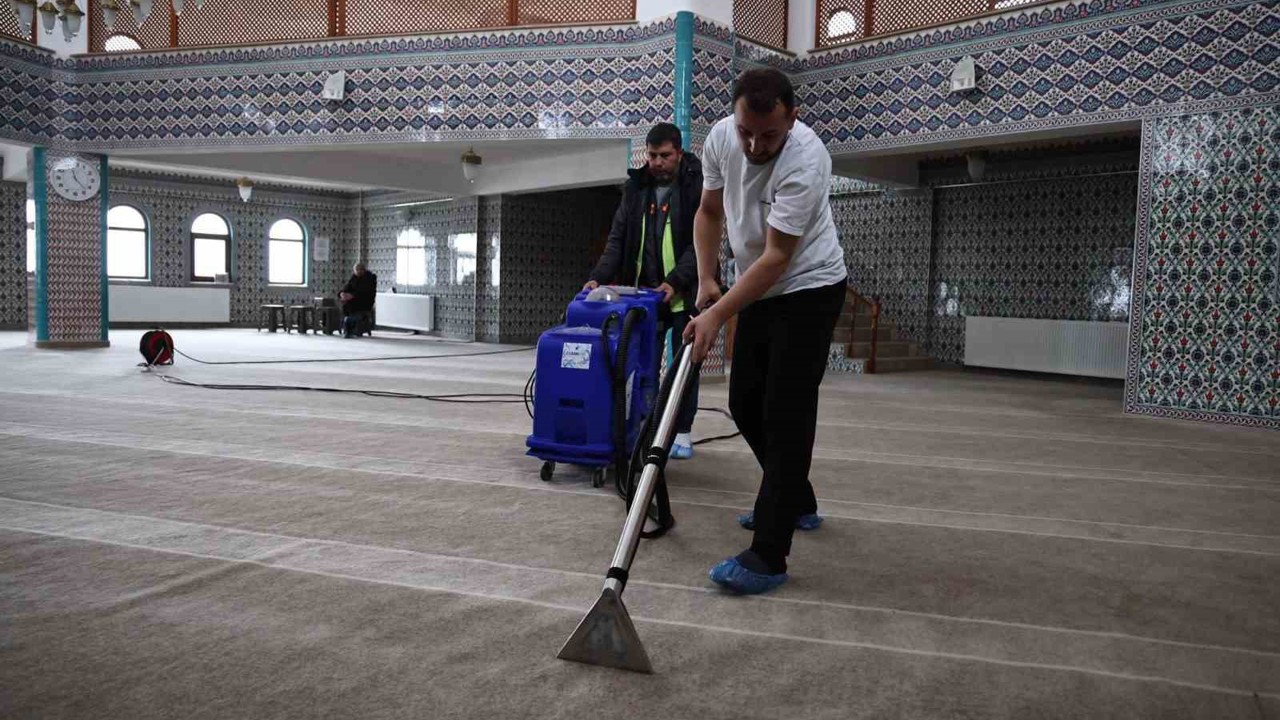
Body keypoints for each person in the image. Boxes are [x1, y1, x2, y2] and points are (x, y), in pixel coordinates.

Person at [683, 68, 848, 595]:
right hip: (756, 285)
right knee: (745, 401)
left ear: (792, 119)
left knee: (786, 410)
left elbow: (778, 256)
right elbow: (709, 212)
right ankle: (795, 497)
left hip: (808, 287)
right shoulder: (718, 139)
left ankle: (769, 553)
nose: (755, 145)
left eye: (769, 135)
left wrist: (716, 314)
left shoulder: (807, 159)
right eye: (746, 131)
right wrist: (708, 278)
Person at [585, 122, 704, 459]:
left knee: (684, 367)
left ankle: (681, 431)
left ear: (678, 153)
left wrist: (676, 281)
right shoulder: (635, 189)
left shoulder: (696, 185)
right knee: (640, 363)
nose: (657, 162)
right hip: (642, 298)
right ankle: (641, 427)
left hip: (683, 294)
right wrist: (598, 277)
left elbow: (700, 244)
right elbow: (617, 240)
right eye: (652, 155)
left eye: (665, 155)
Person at [339, 263, 377, 338]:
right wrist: (342, 293)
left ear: (364, 270)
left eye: (360, 270)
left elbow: (366, 292)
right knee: (346, 305)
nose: (359, 271)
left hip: (365, 301)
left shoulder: (370, 278)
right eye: (357, 270)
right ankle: (348, 329)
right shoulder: (354, 278)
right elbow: (347, 287)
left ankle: (351, 328)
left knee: (352, 309)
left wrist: (352, 296)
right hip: (352, 301)